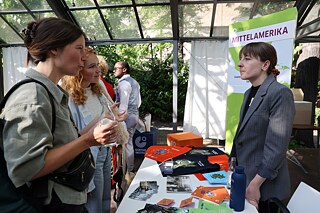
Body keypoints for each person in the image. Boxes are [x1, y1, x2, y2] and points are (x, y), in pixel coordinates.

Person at [0, 17, 120, 212]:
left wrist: (96, 129)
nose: (83, 57)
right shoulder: (33, 95)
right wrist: (87, 141)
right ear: (54, 49)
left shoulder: (49, 91)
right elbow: (26, 169)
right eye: (79, 48)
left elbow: (66, 141)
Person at [230, 42, 295, 213]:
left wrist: (255, 184)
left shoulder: (280, 93)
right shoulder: (249, 93)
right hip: (246, 179)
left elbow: (277, 147)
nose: (240, 63)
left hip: (264, 187)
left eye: (247, 58)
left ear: (265, 65)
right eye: (240, 59)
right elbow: (243, 134)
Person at [61, 48, 128, 213]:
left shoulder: (97, 90)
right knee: (94, 202)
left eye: (97, 65)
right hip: (89, 156)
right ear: (78, 70)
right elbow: (75, 137)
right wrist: (104, 117)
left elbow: (105, 118)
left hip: (104, 152)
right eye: (92, 67)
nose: (98, 70)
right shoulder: (70, 98)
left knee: (106, 196)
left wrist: (114, 116)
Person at [113, 61, 141, 173]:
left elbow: (123, 106)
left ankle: (124, 171)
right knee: (129, 144)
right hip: (134, 115)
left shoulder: (123, 84)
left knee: (122, 144)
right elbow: (139, 102)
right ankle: (129, 170)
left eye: (116, 68)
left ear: (124, 69)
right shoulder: (134, 82)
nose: (114, 70)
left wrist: (117, 121)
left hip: (126, 117)